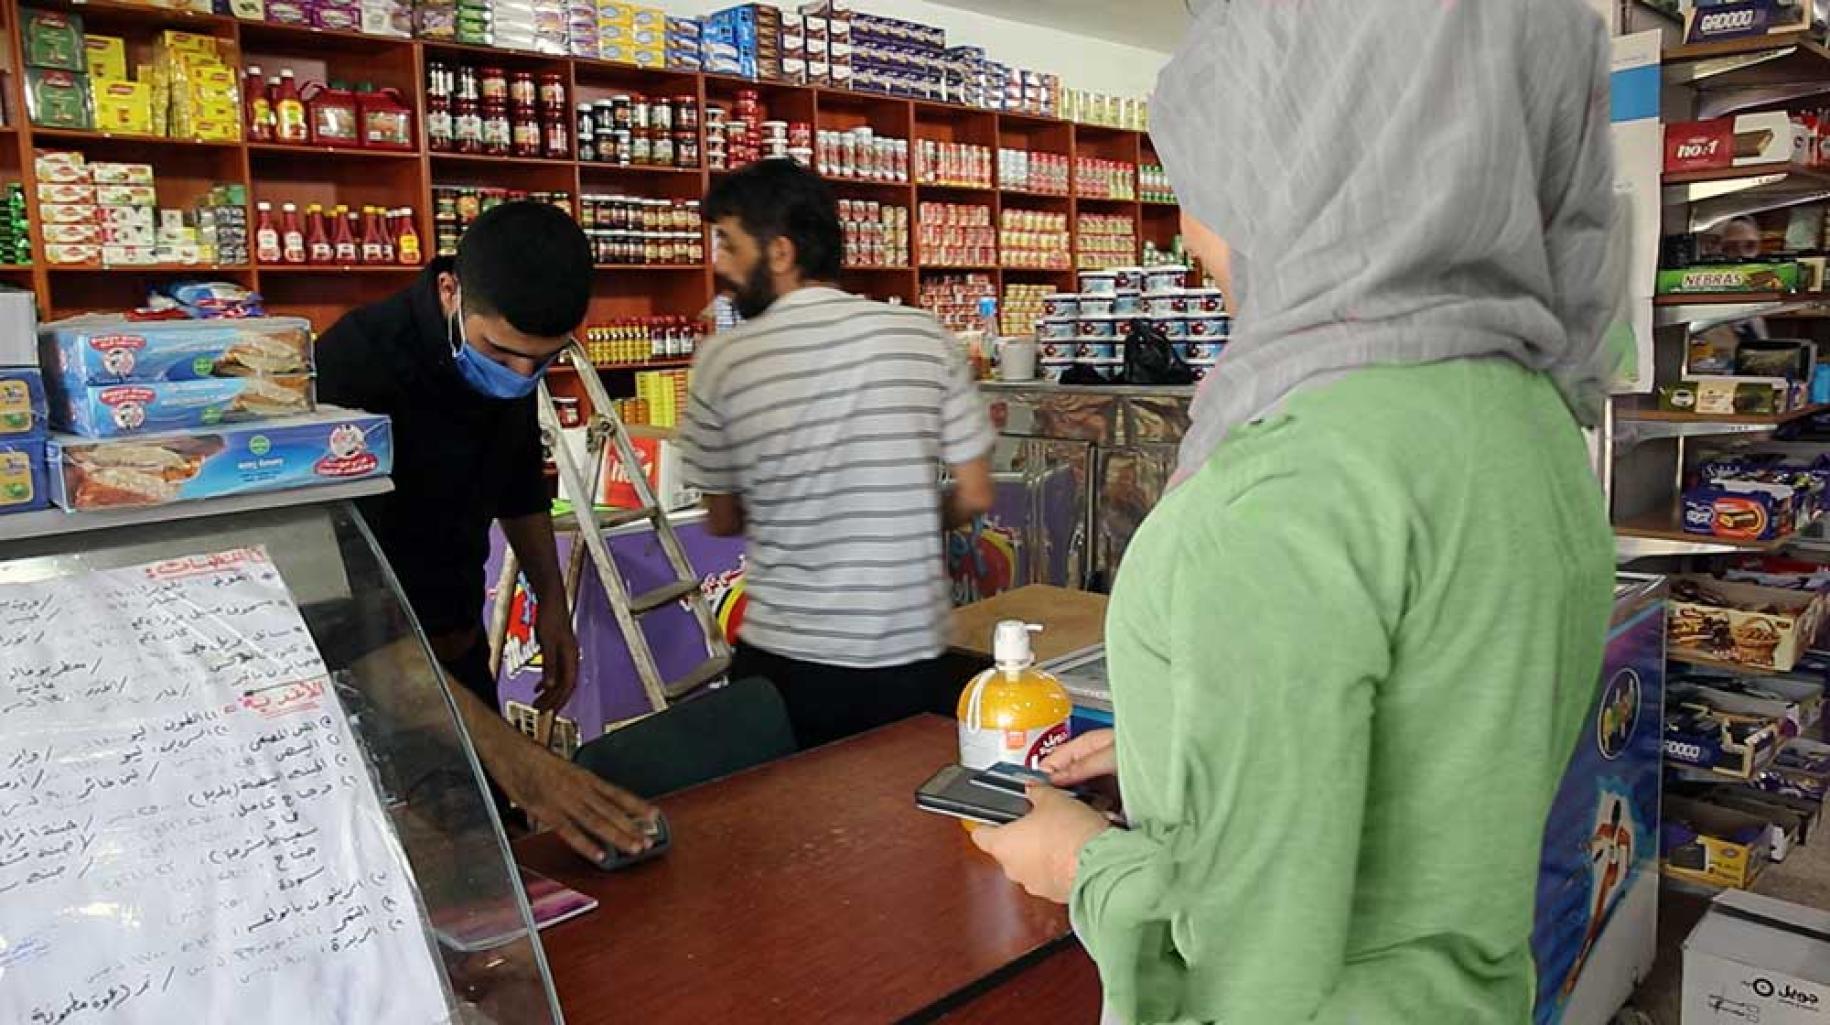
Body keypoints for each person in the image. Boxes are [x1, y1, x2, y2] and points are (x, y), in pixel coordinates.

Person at [972, 2, 1625, 1023]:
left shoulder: (1288, 480)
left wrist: (1082, 861)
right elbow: (1439, 736)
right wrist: (1181, 734)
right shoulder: (1533, 422)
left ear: (1292, 157)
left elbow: (1248, 972)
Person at [316, 200, 657, 862]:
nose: (520, 377)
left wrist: (552, 606)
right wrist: (526, 765)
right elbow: (347, 612)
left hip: (459, 650)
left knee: (488, 852)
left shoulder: (511, 366)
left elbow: (518, 485)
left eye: (543, 360)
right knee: (407, 863)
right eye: (502, 352)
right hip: (368, 670)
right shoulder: (353, 365)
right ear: (450, 289)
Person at [679, 159, 996, 749]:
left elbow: (722, 518)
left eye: (727, 242)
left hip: (788, 661)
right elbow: (976, 493)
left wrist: (801, 505)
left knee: (787, 833)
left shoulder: (724, 360)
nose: (718, 263)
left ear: (780, 253)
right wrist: (894, 513)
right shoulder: (926, 336)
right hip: (911, 656)